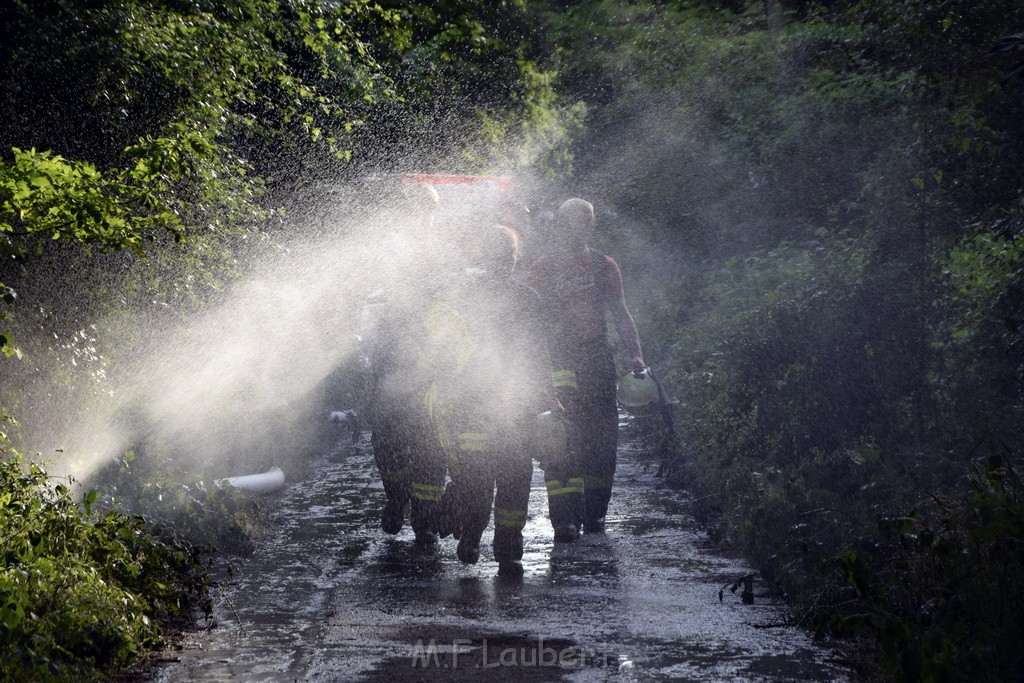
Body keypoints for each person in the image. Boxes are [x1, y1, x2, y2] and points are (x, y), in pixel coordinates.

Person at [424, 221, 551, 576]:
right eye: (497, 254)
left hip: (515, 402)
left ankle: (509, 545)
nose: (504, 261)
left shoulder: (528, 299)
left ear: (516, 258)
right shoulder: (464, 298)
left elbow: (539, 352)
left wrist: (550, 396)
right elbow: (445, 348)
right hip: (472, 401)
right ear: (484, 256)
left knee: (514, 475)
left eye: (510, 254)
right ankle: (471, 533)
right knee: (474, 477)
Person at [527, 197, 645, 540]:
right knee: (560, 435)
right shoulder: (542, 269)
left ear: (590, 227)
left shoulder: (604, 266)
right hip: (558, 361)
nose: (574, 229)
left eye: (581, 223)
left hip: (596, 360)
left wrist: (636, 355)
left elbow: (619, 312)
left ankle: (595, 515)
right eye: (568, 223)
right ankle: (564, 519)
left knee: (602, 440)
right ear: (559, 226)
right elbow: (531, 323)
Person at [360, 182, 451, 545]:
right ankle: (397, 497)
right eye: (415, 209)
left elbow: (455, 301)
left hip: (430, 356)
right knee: (387, 435)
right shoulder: (390, 250)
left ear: (433, 213)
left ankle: (425, 518)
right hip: (391, 353)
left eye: (427, 209)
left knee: (431, 437)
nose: (421, 216)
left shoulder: (444, 253)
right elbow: (369, 300)